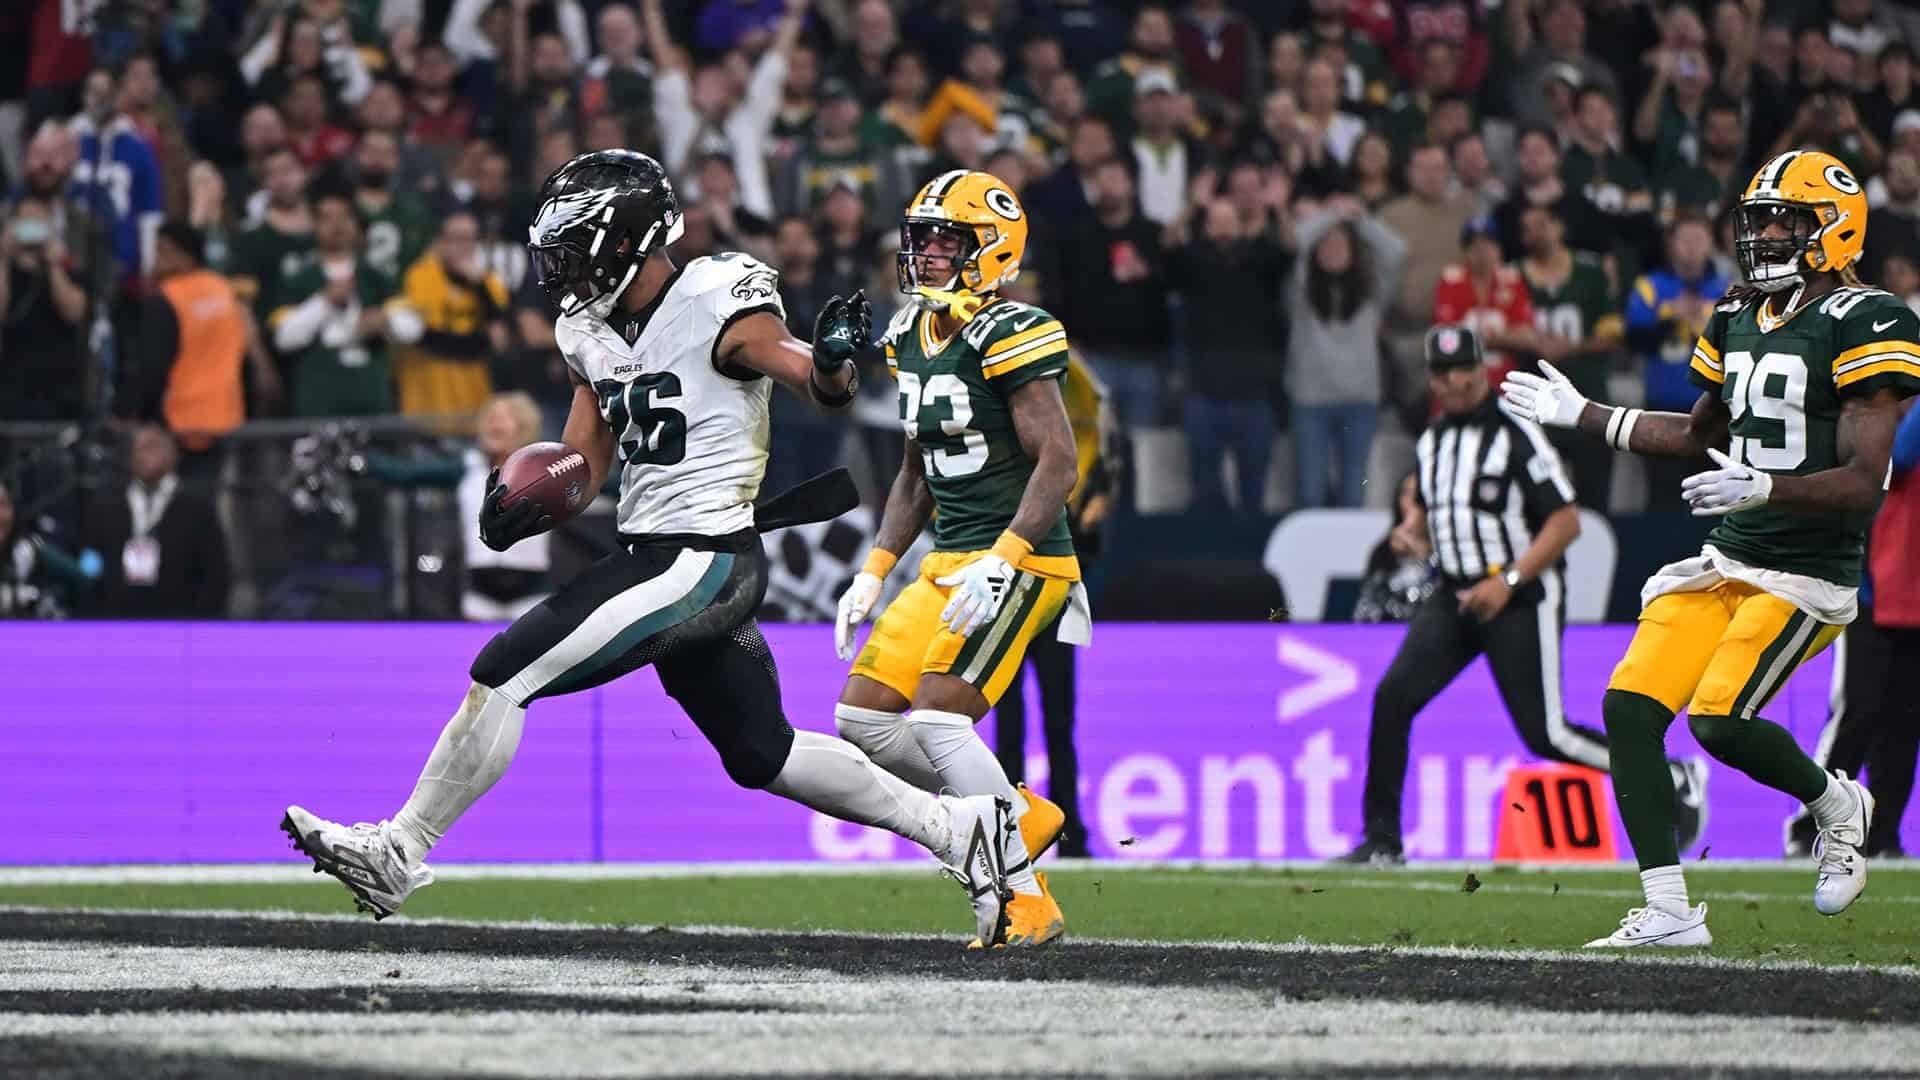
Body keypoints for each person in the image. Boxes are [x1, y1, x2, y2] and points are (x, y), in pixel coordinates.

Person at [282, 151, 1027, 952]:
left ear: (619, 242)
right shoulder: (587, 328)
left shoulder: (715, 297)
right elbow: (587, 460)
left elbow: (812, 379)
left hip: (699, 557)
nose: (559, 271)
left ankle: (401, 849)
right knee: (762, 752)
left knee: (507, 668)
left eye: (571, 250)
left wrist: (837, 361)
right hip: (669, 552)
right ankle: (962, 832)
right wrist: (529, 502)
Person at [1503, 150, 1920, 947]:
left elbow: (1867, 479)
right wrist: (1583, 412)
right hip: (1731, 557)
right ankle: (1666, 910)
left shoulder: (1872, 319)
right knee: (1628, 709)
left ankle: (1838, 803)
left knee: (1720, 720)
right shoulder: (1735, 314)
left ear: (1833, 231)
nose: (1764, 234)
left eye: (1785, 221)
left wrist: (1767, 487)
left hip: (1806, 574)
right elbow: (1697, 435)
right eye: (1759, 218)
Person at [831, 169, 1090, 947]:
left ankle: (1024, 898)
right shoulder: (908, 337)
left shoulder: (1013, 329)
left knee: (942, 721)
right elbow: (916, 472)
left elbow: (1061, 462)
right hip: (948, 558)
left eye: (948, 239)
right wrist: (874, 569)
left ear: (992, 247)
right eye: (923, 238)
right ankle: (1017, 812)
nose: (929, 253)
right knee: (860, 720)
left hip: (1025, 558)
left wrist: (1008, 555)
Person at [1337, 325, 1704, 866]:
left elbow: (1564, 521)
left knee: (1547, 735)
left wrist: (1506, 581)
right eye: (1442, 372)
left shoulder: (1515, 433)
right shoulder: (1434, 439)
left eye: (1463, 368)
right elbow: (1439, 507)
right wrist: (1416, 530)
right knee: (1392, 699)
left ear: (1481, 368)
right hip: (1456, 594)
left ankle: (1670, 773)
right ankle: (1382, 841)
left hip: (1521, 593)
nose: (1454, 380)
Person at [1784, 396, 1920, 857]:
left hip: (1913, 594)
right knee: (1856, 712)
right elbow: (1895, 461)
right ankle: (1808, 826)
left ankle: (1883, 836)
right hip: (1874, 591)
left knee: (1905, 724)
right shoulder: (1875, 415)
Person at [992, 352, 1112, 859]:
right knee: (1013, 721)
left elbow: (1094, 541)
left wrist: (1086, 505)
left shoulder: (1081, 463)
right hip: (1015, 599)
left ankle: (1068, 831)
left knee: (1055, 722)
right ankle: (1013, 832)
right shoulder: (1014, 459)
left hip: (1049, 603)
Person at [1286, 197, 1405, 508]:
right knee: (1311, 493)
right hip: (1310, 403)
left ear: (1354, 250)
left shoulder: (1372, 292)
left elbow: (1396, 252)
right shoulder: (1300, 289)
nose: (1332, 249)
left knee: (1353, 492)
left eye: (1340, 243)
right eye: (1325, 243)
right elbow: (1295, 242)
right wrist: (1330, 215)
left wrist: (1360, 221)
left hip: (1359, 402)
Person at [82, 425, 228, 618]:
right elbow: (89, 559)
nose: (146, 455)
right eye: (140, 448)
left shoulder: (197, 507)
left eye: (154, 446)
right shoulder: (107, 504)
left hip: (180, 620)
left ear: (174, 455)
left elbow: (216, 572)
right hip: (116, 619)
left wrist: (198, 622)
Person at [1352, 470, 1435, 624]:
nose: (1410, 502)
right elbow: (1366, 608)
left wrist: (1423, 558)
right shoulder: (1383, 551)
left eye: (1417, 495)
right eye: (1405, 493)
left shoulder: (1445, 551)